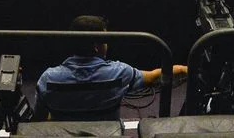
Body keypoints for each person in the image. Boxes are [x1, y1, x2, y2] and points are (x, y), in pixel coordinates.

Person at [35, 15, 187, 121]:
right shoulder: (119, 73)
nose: (107, 45)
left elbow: (38, 118)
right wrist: (182, 69)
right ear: (96, 47)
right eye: (105, 40)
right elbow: (153, 76)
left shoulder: (47, 78)